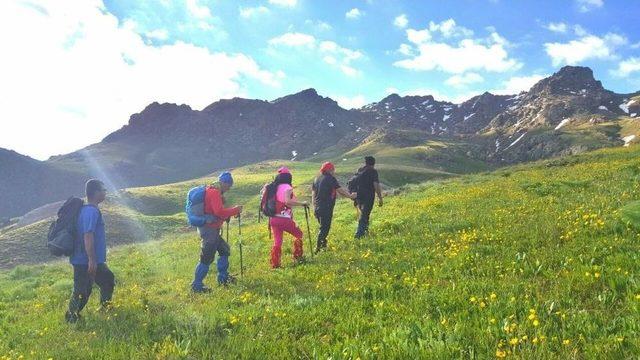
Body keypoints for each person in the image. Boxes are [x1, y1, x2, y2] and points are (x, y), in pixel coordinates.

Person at [65, 179, 114, 323]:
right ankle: (71, 316)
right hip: (85, 260)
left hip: (86, 259)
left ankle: (105, 308)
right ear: (96, 192)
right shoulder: (91, 211)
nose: (105, 193)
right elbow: (88, 235)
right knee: (82, 290)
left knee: (106, 280)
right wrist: (92, 260)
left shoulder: (87, 210)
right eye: (103, 190)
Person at [191, 172, 243, 293]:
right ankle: (197, 285)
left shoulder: (213, 190)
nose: (229, 188)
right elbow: (219, 212)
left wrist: (227, 215)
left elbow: (214, 211)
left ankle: (223, 277)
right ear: (224, 182)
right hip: (209, 231)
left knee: (225, 250)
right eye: (229, 185)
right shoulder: (214, 192)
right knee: (206, 258)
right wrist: (235, 210)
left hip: (211, 229)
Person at [311, 162, 356, 253]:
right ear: (329, 170)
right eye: (333, 170)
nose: (334, 171)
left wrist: (314, 206)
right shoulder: (330, 178)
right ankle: (318, 249)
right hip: (326, 207)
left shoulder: (316, 179)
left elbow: (313, 194)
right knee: (325, 228)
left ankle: (323, 246)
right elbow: (340, 190)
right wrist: (351, 196)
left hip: (317, 207)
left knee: (322, 226)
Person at [269, 167, 308, 268]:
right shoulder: (287, 187)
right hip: (284, 218)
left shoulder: (274, 187)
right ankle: (298, 257)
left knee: (277, 242)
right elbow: (288, 202)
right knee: (299, 234)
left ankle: (275, 264)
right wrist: (302, 203)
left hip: (273, 219)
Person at [354, 156, 383, 239]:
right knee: (364, 215)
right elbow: (376, 185)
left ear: (366, 163)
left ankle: (365, 232)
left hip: (359, 196)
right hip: (368, 196)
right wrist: (380, 198)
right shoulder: (373, 171)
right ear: (373, 163)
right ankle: (359, 235)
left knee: (364, 214)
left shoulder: (360, 170)